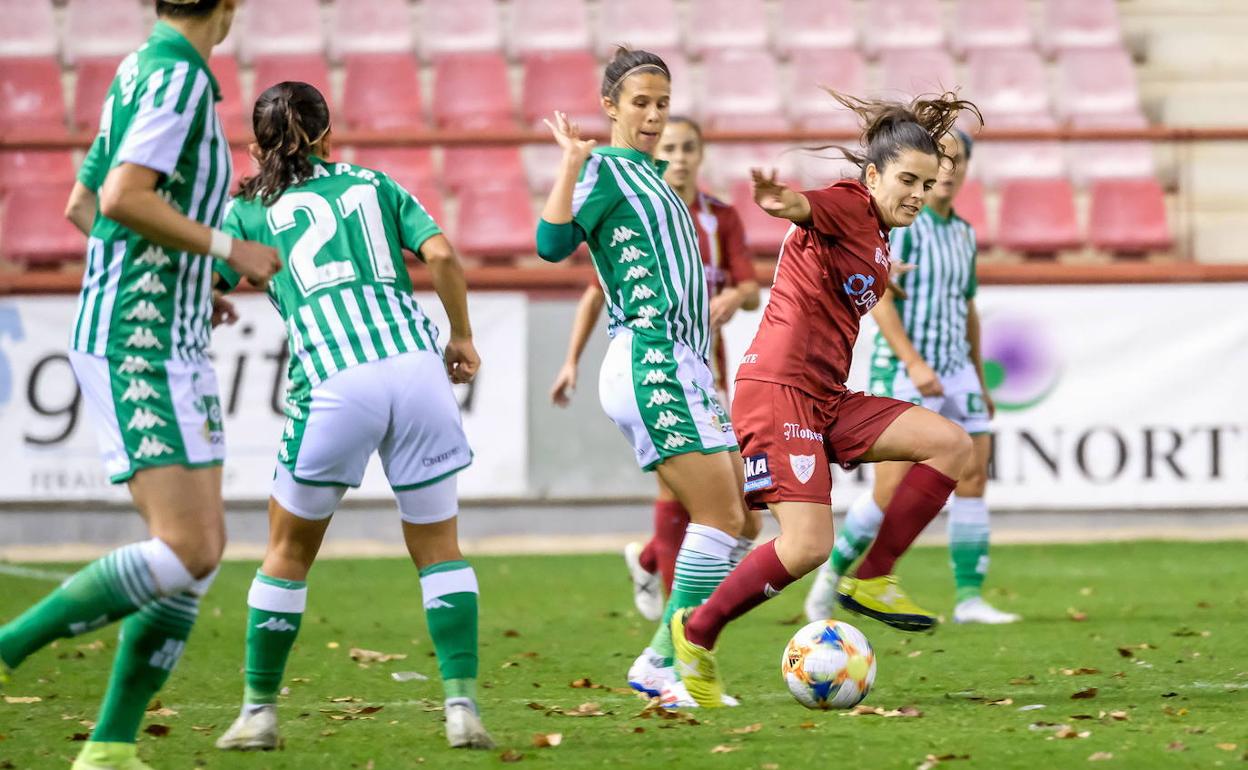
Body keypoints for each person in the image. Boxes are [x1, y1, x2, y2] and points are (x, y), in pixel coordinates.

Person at [0, 3, 281, 768]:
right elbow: (124, 197)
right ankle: (8, 648)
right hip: (139, 339)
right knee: (188, 545)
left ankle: (111, 746)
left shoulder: (139, 68)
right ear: (226, 8)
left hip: (168, 333)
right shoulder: (179, 80)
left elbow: (82, 203)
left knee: (203, 550)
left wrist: (191, 272)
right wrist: (230, 249)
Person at [669, 91, 982, 708]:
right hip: (779, 391)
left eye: (929, 182)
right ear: (872, 175)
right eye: (907, 180)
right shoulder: (848, 202)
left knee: (951, 445)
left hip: (825, 397)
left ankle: (872, 578)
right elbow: (801, 207)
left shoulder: (880, 236)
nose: (918, 194)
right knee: (808, 544)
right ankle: (696, 631)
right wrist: (781, 201)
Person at [205, 82, 493, 751]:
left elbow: (205, 285)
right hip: (415, 369)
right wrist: (462, 337)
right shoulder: (374, 181)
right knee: (438, 548)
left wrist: (213, 300)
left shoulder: (247, 210)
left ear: (255, 146)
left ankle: (258, 714)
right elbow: (444, 255)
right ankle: (460, 708)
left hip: (334, 377)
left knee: (288, 550)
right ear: (330, 135)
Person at [535, 48, 751, 707]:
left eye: (662, 102)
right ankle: (674, 665)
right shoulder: (603, 168)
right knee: (717, 515)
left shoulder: (653, 176)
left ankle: (664, 655)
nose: (654, 115)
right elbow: (549, 246)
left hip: (683, 361)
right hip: (651, 358)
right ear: (610, 107)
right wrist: (571, 166)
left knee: (739, 517)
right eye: (640, 103)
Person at [548, 116, 762, 622]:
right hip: (657, 367)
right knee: (693, 498)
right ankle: (678, 629)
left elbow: (752, 288)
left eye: (689, 147)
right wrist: (571, 360)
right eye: (672, 147)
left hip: (707, 369)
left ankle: (651, 565)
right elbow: (595, 290)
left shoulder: (718, 217)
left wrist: (733, 293)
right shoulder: (634, 203)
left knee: (735, 510)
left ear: (701, 154)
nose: (681, 156)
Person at [805, 130, 1019, 625]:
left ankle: (969, 598)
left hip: (957, 368)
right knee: (889, 491)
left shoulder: (963, 233)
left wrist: (979, 379)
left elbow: (966, 306)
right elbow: (877, 297)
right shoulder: (902, 224)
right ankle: (833, 576)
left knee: (973, 476)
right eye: (942, 158)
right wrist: (914, 362)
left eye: (958, 159)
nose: (949, 168)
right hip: (904, 368)